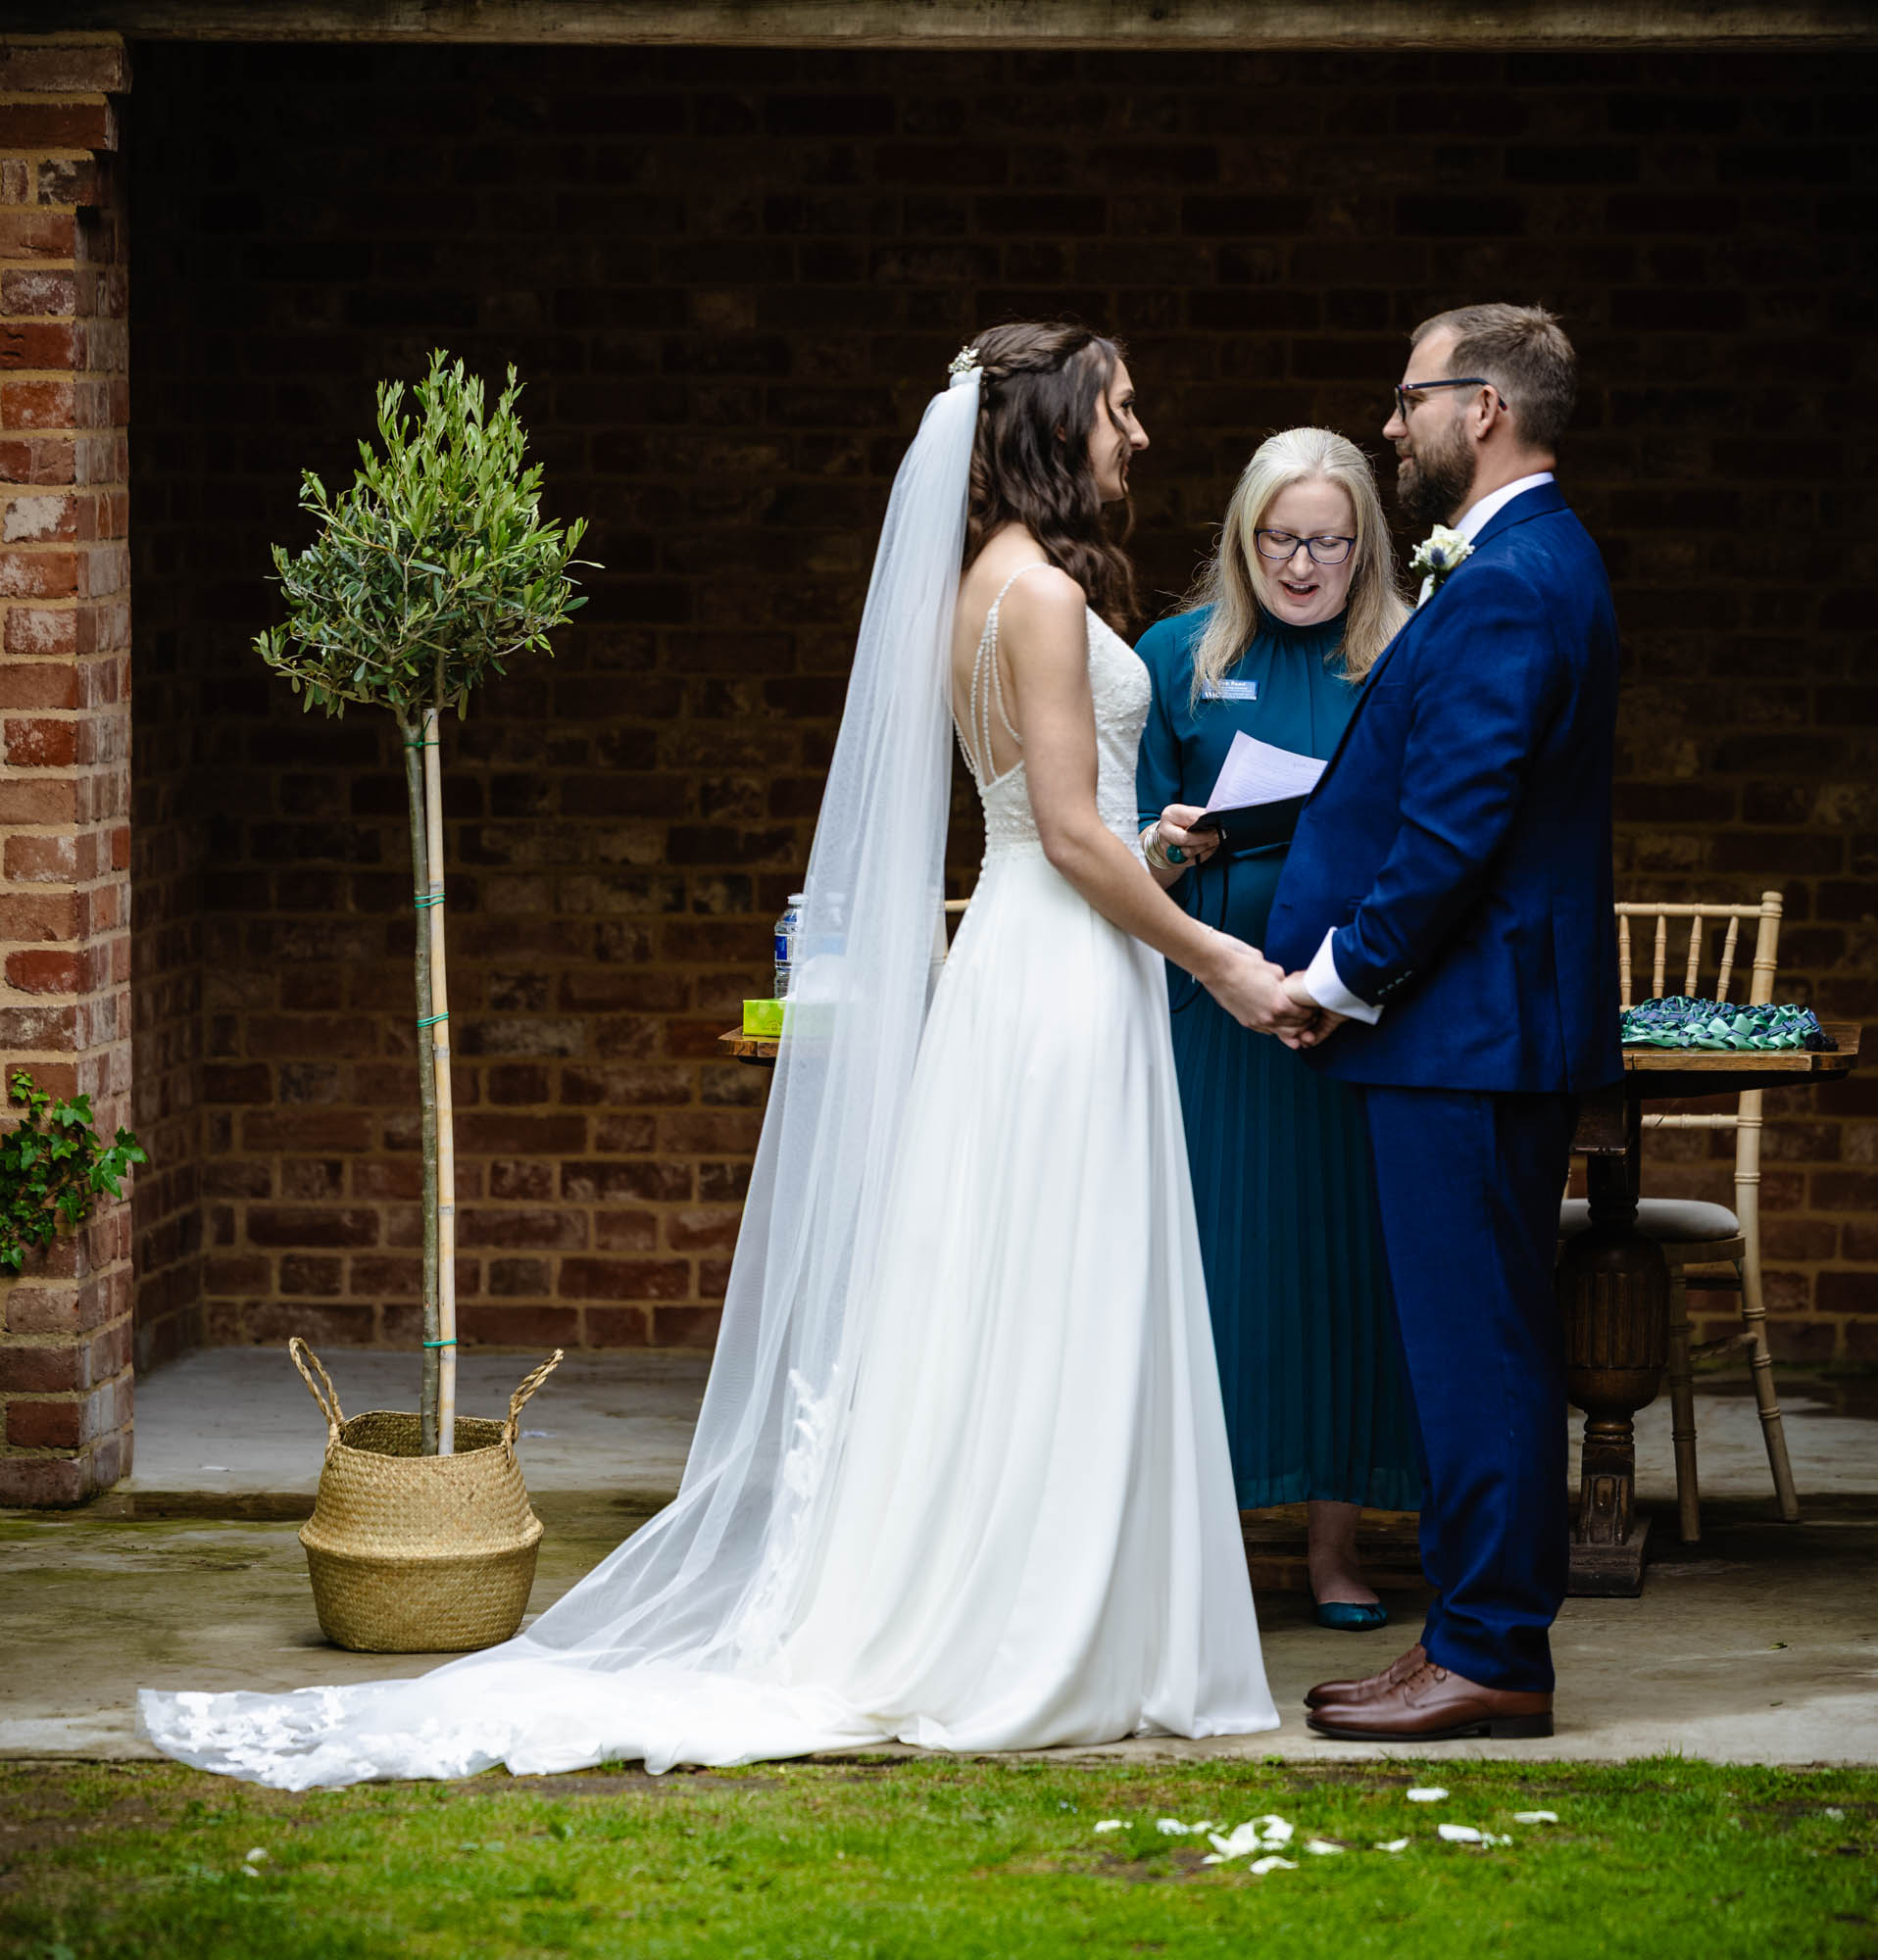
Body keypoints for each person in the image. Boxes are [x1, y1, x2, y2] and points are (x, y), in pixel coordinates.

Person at [140, 322, 1291, 1787]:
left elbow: (1058, 825)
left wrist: (1159, 860)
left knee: (1023, 1287)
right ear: (1060, 425)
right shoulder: (1046, 600)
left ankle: (1046, 1610)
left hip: (1031, 962)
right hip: (1063, 973)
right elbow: (1067, 834)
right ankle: (1033, 1628)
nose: (1141, 433)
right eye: (1123, 408)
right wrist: (1226, 961)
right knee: (1053, 1281)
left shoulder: (980, 591)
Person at [1265, 304, 1622, 1741]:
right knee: (1484, 1345)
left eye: (1409, 396)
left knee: (1474, 1350)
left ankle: (1487, 1654)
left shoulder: (1511, 581)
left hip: (1466, 1038)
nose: (1391, 420)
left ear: (1483, 409)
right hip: (1475, 1036)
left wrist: (1343, 975)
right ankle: (1470, 1637)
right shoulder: (1528, 562)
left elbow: (1455, 823)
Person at [1135, 428, 1420, 1632]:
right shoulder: (1174, 657)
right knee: (1212, 1268)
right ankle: (1192, 1543)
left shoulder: (1407, 651)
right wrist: (1165, 837)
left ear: (1368, 542)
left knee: (1347, 1269)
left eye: (1328, 538)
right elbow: (1118, 834)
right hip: (1215, 1009)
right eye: (1278, 538)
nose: (1302, 563)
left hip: (1362, 1008)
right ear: (1241, 539)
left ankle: (1335, 1547)